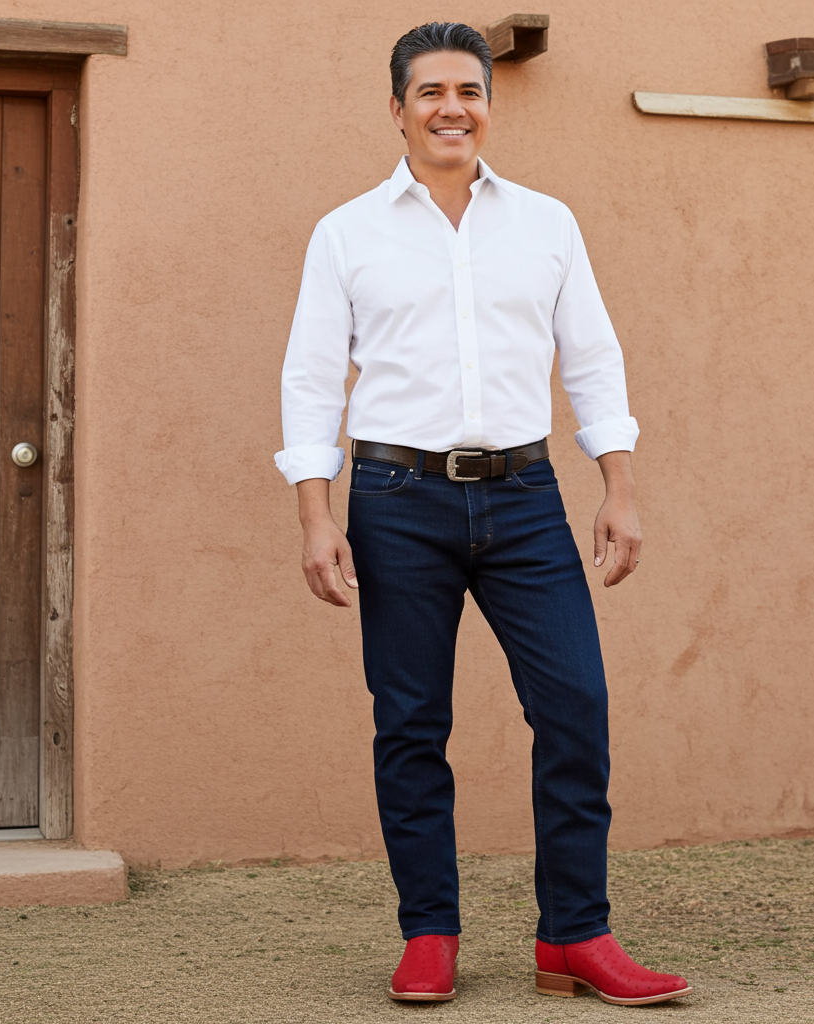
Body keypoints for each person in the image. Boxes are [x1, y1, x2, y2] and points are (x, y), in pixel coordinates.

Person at [275, 21, 692, 1007]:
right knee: (411, 722)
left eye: (468, 90)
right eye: (430, 91)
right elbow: (311, 380)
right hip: (396, 501)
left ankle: (574, 936)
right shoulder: (346, 233)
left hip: (525, 499)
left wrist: (619, 486)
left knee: (575, 707)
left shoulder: (546, 223)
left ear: (489, 107)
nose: (451, 107)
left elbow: (593, 358)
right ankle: (429, 933)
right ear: (398, 109)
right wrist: (315, 515)